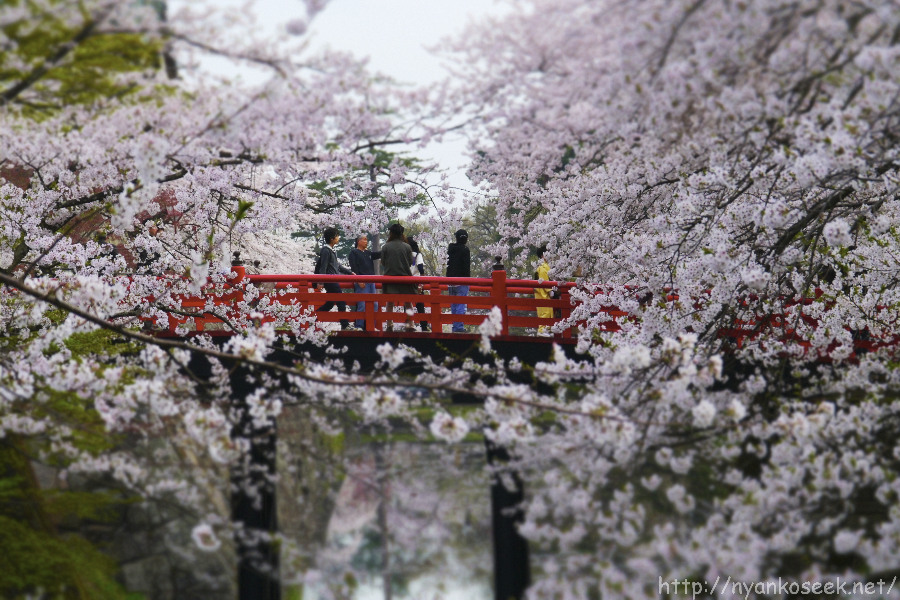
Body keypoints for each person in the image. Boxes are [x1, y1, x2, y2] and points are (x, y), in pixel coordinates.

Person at [314, 227, 356, 331]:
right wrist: (321, 281)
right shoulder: (326, 250)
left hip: (332, 279)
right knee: (341, 301)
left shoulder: (331, 250)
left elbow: (337, 266)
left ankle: (312, 319)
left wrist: (350, 272)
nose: (338, 238)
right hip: (330, 280)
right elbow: (323, 267)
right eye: (337, 236)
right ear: (332, 239)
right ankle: (344, 324)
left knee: (330, 303)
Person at [380, 223, 417, 331]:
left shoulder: (385, 247)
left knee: (390, 302)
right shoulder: (407, 246)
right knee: (408, 302)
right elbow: (410, 262)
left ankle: (389, 324)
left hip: (390, 277)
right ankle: (411, 324)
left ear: (391, 233)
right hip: (405, 277)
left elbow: (383, 262)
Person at [348, 234, 381, 330]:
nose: (366, 241)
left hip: (371, 280)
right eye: (365, 239)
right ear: (359, 241)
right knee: (362, 304)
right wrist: (358, 280)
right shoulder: (354, 252)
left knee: (374, 304)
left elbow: (378, 254)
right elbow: (354, 267)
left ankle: (371, 325)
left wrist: (388, 247)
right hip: (361, 281)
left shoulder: (368, 253)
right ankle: (359, 325)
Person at [445, 228, 470, 333]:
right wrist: (468, 280)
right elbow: (466, 267)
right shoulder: (465, 250)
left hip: (450, 280)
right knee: (461, 303)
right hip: (461, 280)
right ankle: (458, 327)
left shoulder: (451, 249)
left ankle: (455, 326)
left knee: (454, 304)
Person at [408, 237, 428, 332]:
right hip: (417, 281)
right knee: (420, 304)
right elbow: (420, 266)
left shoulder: (405, 254)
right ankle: (423, 326)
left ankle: (409, 324)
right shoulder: (418, 255)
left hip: (407, 281)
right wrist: (423, 277)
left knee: (407, 304)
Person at [534, 246, 553, 336]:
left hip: (544, 292)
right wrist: (549, 290)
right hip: (542, 292)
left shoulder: (546, 266)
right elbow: (544, 278)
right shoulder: (542, 267)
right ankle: (542, 330)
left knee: (549, 310)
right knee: (544, 311)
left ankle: (547, 329)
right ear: (543, 255)